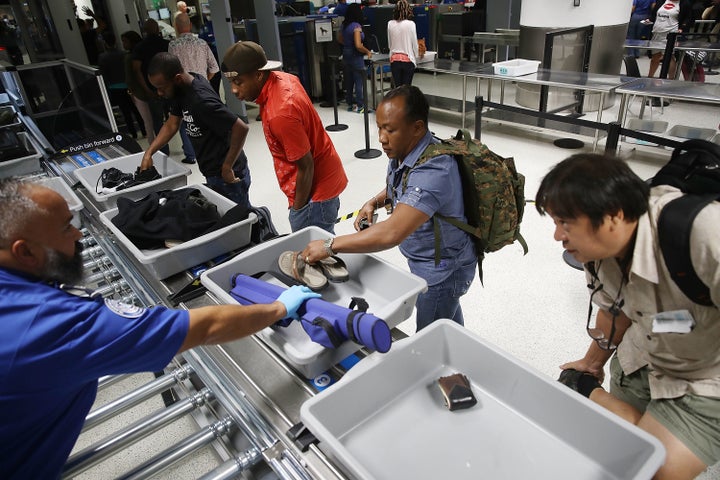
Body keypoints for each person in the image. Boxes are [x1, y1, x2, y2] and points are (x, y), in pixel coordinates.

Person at [0, 179, 320, 479]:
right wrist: (280, 307)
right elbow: (205, 327)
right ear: (24, 251)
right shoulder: (54, 324)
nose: (79, 235)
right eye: (66, 227)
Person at [534, 154, 720, 480]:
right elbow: (613, 310)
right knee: (610, 446)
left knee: (647, 468)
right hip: (641, 358)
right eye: (554, 223)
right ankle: (591, 390)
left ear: (614, 216)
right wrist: (591, 364)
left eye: (565, 223)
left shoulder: (704, 235)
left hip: (703, 381)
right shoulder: (597, 253)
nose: (557, 237)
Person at [300, 85, 476, 332]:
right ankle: (459, 349)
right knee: (448, 321)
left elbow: (391, 232)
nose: (381, 138)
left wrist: (330, 245)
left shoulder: (435, 170)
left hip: (443, 272)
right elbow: (404, 184)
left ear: (417, 128)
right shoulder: (406, 148)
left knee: (430, 336)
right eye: (380, 128)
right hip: (429, 262)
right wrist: (374, 201)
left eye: (390, 130)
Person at [221, 41, 348, 233]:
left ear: (258, 74)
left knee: (315, 254)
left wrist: (298, 210)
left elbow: (306, 166)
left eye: (239, 82)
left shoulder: (281, 113)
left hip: (315, 194)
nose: (234, 90)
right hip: (323, 178)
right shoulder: (282, 79)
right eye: (231, 82)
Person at [139, 52, 253, 212]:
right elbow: (172, 123)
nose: (159, 93)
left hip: (227, 172)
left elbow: (241, 128)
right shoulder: (182, 88)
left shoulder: (201, 100)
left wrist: (227, 167)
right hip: (213, 169)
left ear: (177, 78)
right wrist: (149, 153)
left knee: (241, 219)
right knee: (230, 215)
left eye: (161, 88)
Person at [169, 12, 220, 165]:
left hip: (183, 90)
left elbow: (171, 69)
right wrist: (203, 81)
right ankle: (211, 150)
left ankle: (191, 155)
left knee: (186, 121)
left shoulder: (173, 45)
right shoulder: (202, 43)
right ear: (190, 26)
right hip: (203, 89)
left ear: (176, 27)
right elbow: (214, 68)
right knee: (207, 119)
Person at [132, 18, 170, 154]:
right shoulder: (167, 44)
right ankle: (189, 151)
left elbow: (136, 69)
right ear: (157, 29)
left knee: (158, 122)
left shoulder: (140, 48)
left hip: (152, 88)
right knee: (178, 118)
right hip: (170, 88)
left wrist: (147, 89)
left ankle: (164, 151)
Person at [98, 32, 146, 139]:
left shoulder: (103, 57)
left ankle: (133, 133)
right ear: (115, 41)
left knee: (125, 112)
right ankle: (144, 130)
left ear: (105, 43)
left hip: (114, 87)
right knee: (135, 109)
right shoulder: (124, 54)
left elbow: (104, 74)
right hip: (127, 86)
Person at [122, 30, 156, 145]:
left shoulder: (129, 57)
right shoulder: (146, 52)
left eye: (125, 41)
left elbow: (129, 77)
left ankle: (153, 145)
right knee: (154, 120)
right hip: (152, 88)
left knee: (147, 121)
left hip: (139, 92)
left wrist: (131, 91)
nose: (123, 44)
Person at [338, 3, 373, 113]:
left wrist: (347, 45)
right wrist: (367, 51)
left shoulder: (344, 25)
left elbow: (339, 39)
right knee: (359, 80)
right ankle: (361, 106)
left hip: (346, 53)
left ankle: (349, 104)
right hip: (355, 55)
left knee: (349, 80)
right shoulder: (356, 26)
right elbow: (358, 45)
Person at [648, 0, 692, 79]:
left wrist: (682, 28)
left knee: (669, 56)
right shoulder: (661, 1)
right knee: (655, 56)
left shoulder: (684, 3)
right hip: (657, 32)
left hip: (671, 33)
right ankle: (650, 76)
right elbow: (654, 14)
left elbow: (688, 18)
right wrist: (649, 20)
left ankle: (671, 78)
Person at [388, 0, 420, 87]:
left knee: (398, 88)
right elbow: (415, 44)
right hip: (408, 60)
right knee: (406, 89)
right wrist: (416, 56)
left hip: (394, 60)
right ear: (408, 10)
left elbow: (390, 44)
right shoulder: (411, 24)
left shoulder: (390, 23)